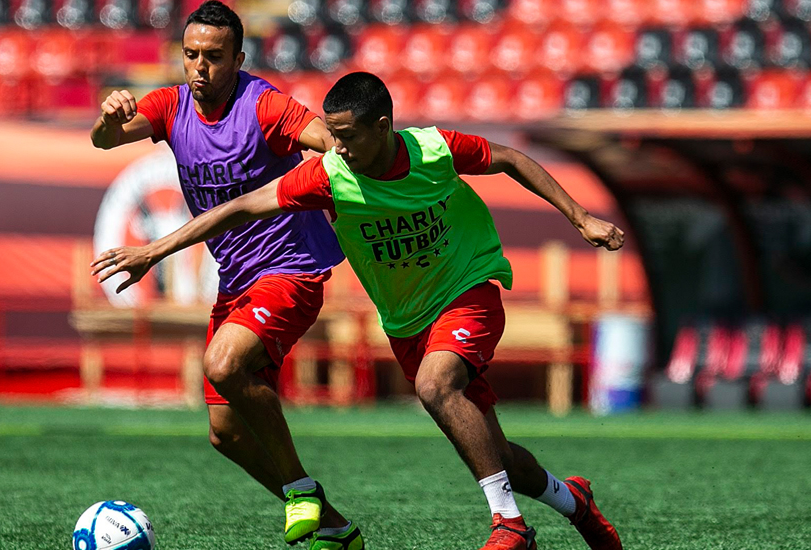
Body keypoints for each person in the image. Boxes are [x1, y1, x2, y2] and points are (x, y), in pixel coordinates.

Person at [92, 72, 626, 550]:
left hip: (467, 288)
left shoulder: (433, 149)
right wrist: (152, 251)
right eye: (333, 134)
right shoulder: (328, 176)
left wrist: (581, 218)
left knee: (436, 386)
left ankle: (509, 525)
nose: (336, 147)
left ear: (383, 126)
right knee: (496, 454)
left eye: (346, 136)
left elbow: (508, 158)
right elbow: (237, 208)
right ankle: (574, 501)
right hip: (407, 319)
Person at [89, 2, 361, 547]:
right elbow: (104, 140)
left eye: (214, 56)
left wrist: (339, 160)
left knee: (221, 363)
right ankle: (333, 525)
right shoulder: (170, 106)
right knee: (226, 434)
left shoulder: (263, 105)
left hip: (291, 269)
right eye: (191, 54)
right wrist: (109, 117)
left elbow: (327, 138)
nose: (199, 67)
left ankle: (302, 490)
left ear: (238, 58)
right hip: (235, 281)